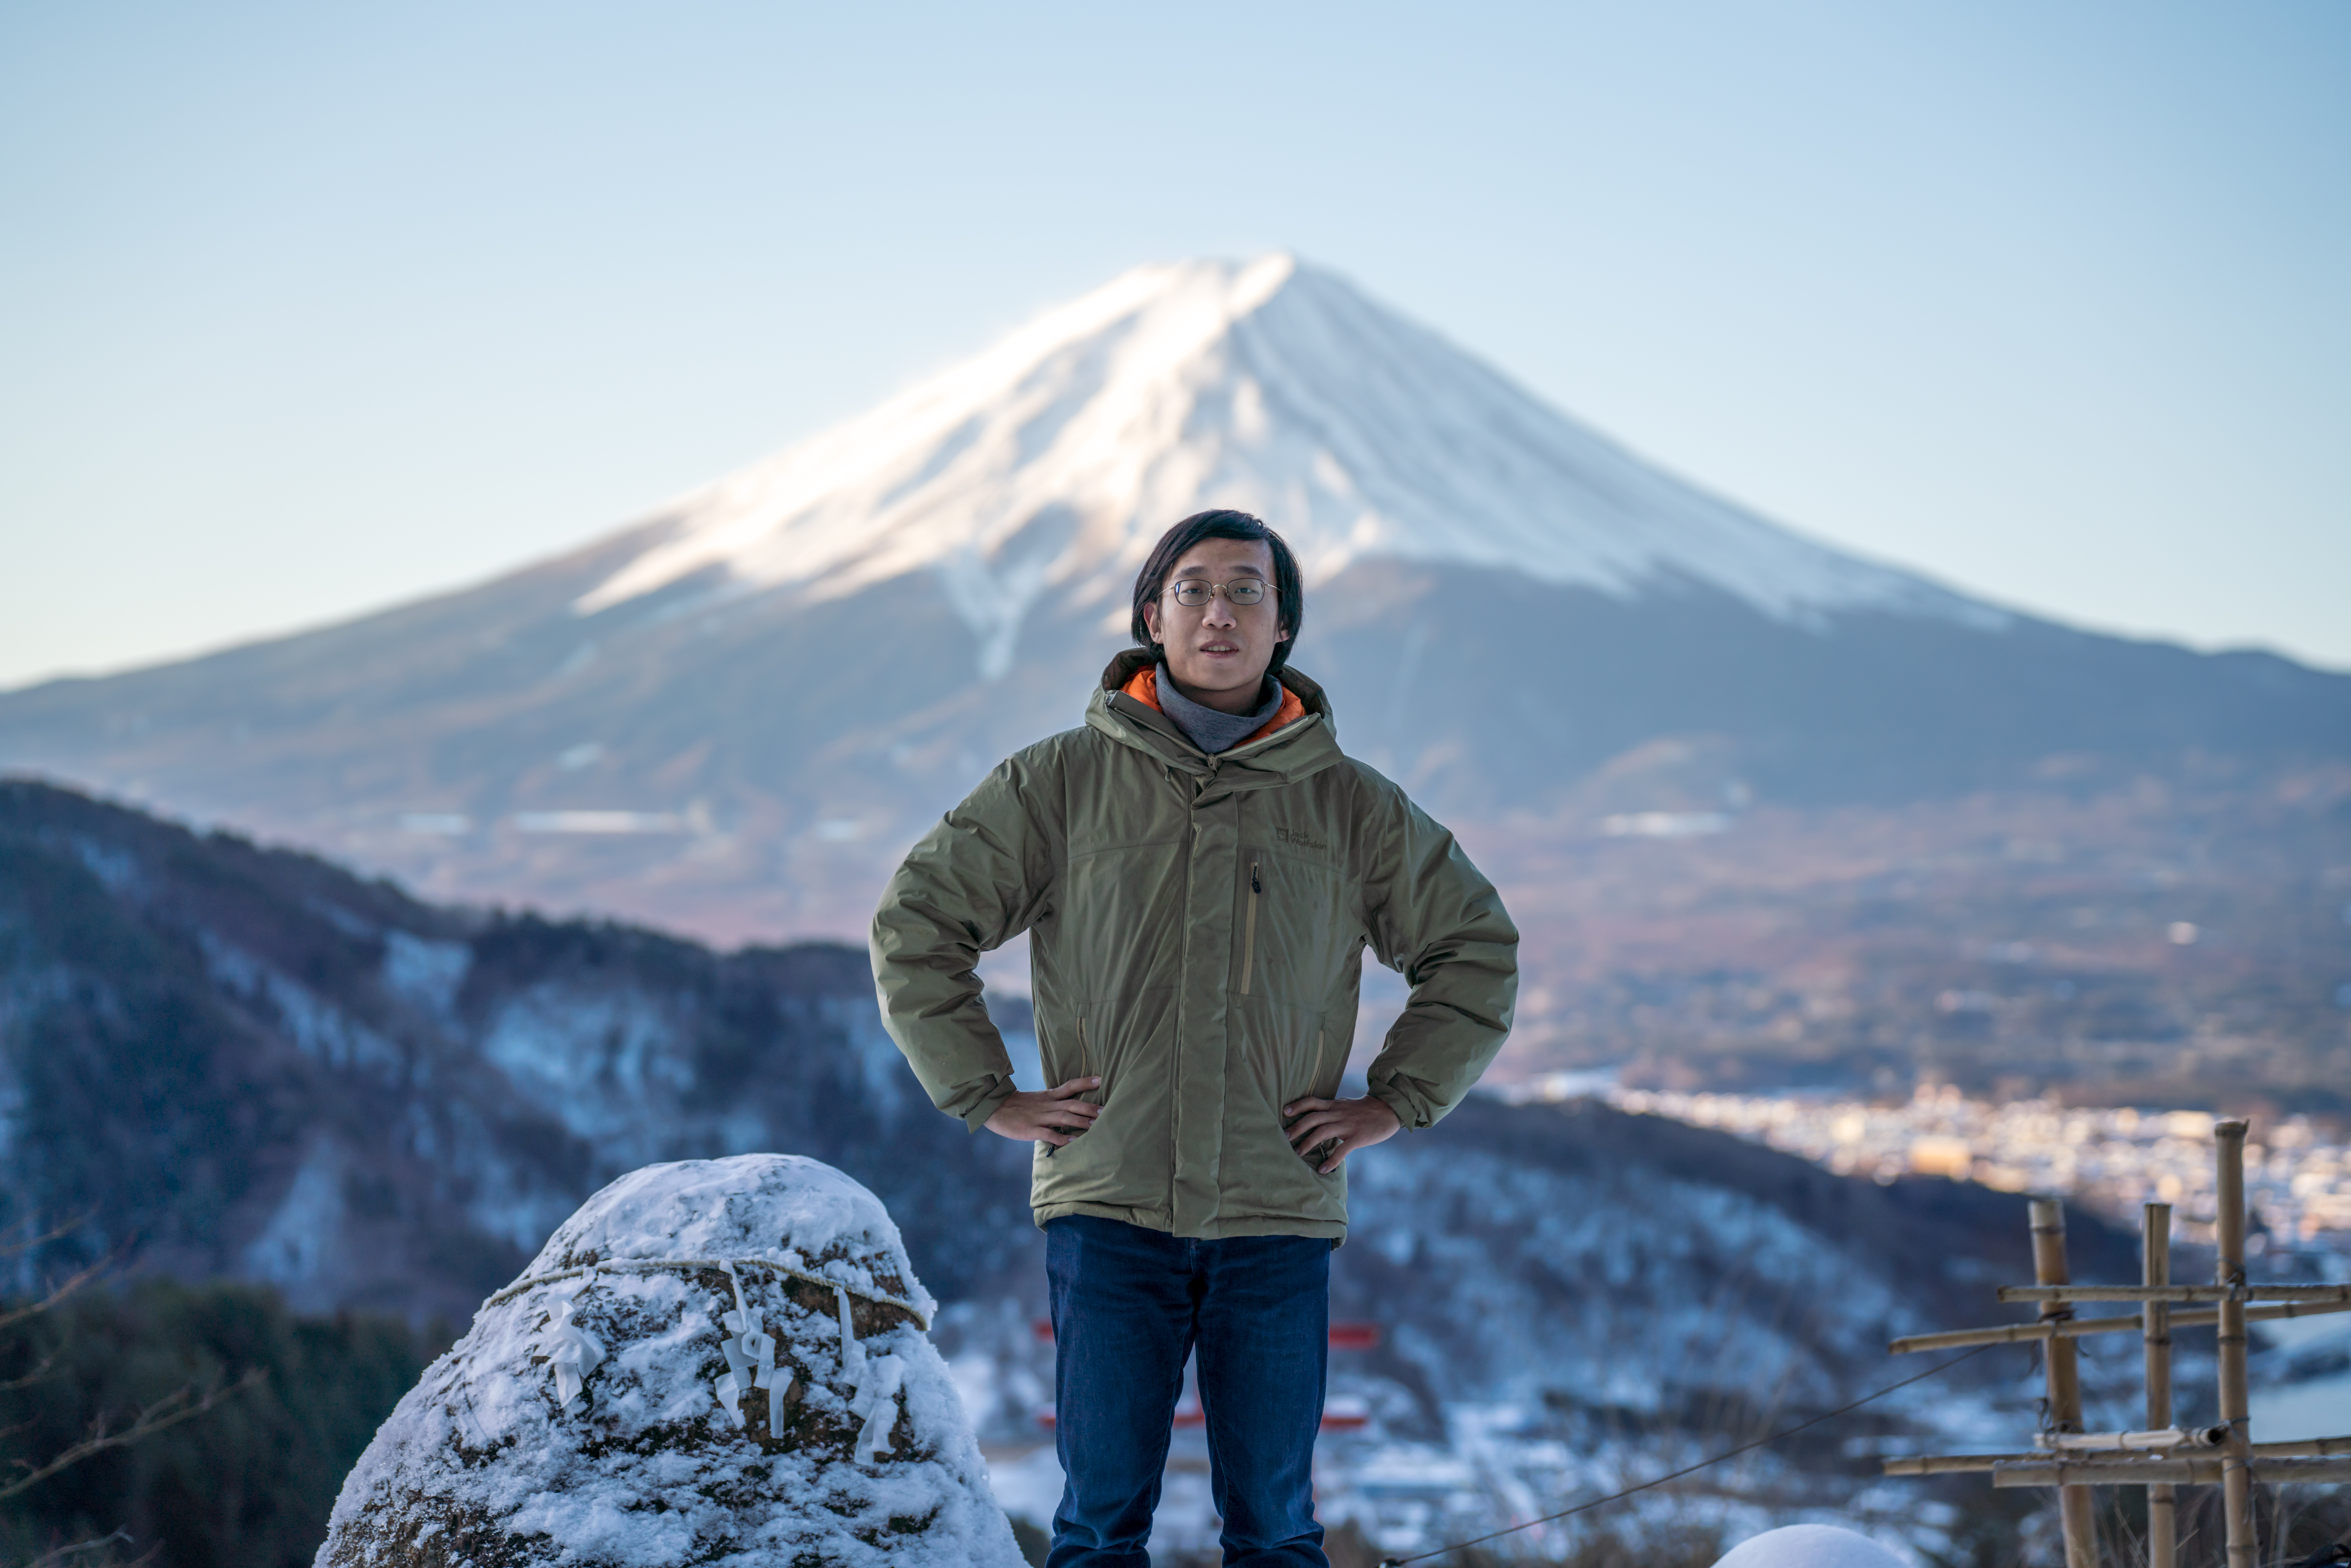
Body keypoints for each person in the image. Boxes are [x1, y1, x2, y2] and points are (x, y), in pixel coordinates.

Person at [871, 509, 1518, 1567]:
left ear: (1282, 628)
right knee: (1098, 1522)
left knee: (1273, 1526)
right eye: (1194, 588)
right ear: (1150, 616)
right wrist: (983, 1090)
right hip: (1107, 1204)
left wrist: (1393, 1099)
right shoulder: (1060, 781)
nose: (1219, 610)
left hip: (1276, 1208)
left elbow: (1475, 945)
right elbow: (917, 921)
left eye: (1247, 591)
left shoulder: (1350, 806)